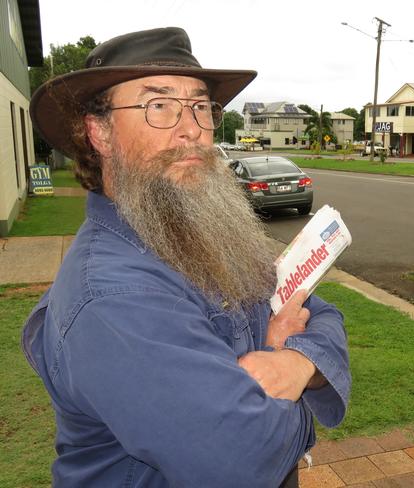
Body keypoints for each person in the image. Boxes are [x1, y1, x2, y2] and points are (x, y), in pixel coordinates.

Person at [22, 27, 350, 488]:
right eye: (159, 106)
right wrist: (284, 355)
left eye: (200, 106)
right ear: (99, 132)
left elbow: (319, 312)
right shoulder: (113, 297)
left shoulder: (203, 234)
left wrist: (296, 365)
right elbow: (243, 458)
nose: (192, 129)